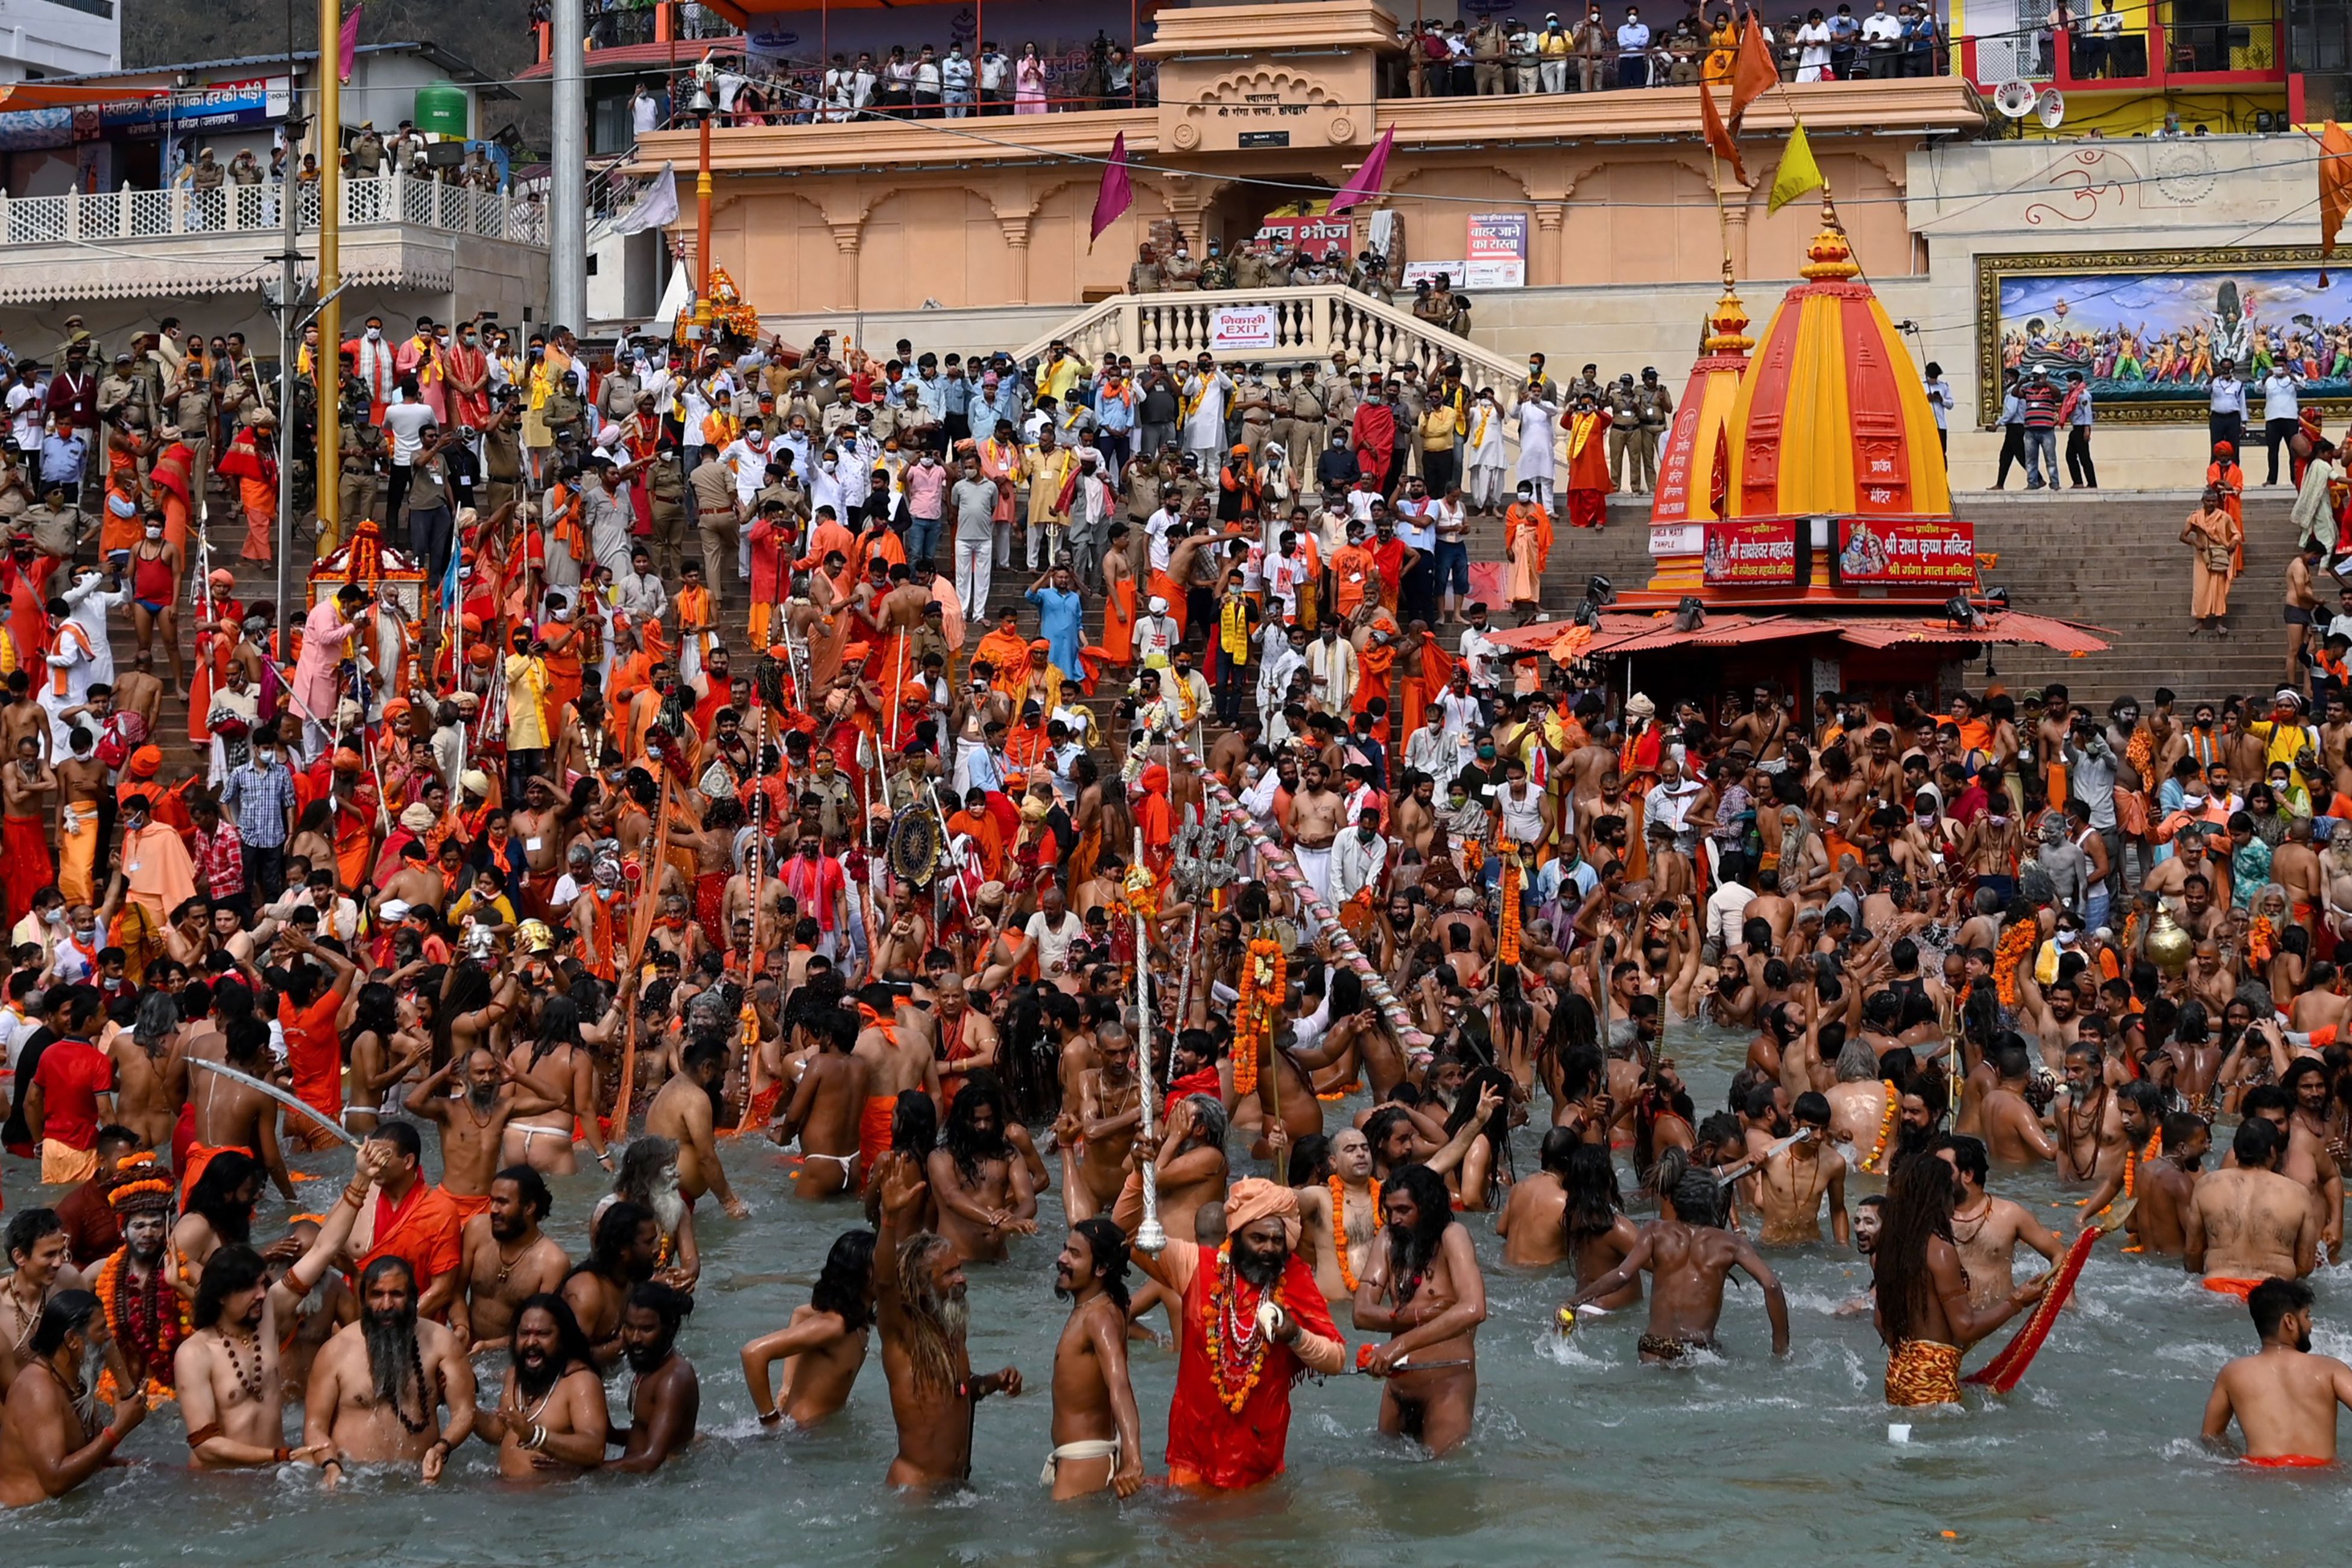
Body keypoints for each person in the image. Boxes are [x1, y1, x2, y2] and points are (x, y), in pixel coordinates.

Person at [1127, 1175, 1345, 1489]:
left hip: (1259, 1459)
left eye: (1277, 1240)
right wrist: (1139, 1174)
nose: (1269, 1248)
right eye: (1259, 1238)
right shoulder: (1197, 1265)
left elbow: (1336, 1358)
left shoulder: (1294, 1279)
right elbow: (1131, 1235)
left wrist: (1295, 1335)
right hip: (1194, 1452)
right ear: (1237, 1235)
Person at [175, 1146, 384, 1467]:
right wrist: (281, 1456)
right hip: (218, 1491)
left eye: (263, 1283)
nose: (262, 1294)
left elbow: (325, 1249)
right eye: (249, 1289)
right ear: (219, 1296)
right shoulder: (194, 1353)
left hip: (275, 1475)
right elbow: (206, 1446)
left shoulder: (269, 1311)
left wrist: (361, 1177)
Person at [870, 1154, 1021, 1487]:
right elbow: (884, 1284)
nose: (962, 1279)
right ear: (923, 1285)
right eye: (950, 1273)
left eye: (960, 1269)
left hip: (958, 1486)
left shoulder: (954, 1327)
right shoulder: (901, 1332)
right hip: (916, 1490)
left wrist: (992, 1382)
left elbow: (957, 1393)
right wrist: (889, 1220)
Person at [1872, 1152, 2047, 1406]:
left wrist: (1916, 1358)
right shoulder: (1939, 1250)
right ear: (1938, 1199)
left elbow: (1880, 1322)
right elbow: (1965, 1328)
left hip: (1897, 1375)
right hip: (1934, 1383)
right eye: (1950, 1195)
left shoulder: (1887, 1249)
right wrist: (2017, 1301)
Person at [1563, 1168, 1790, 1362]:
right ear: (1714, 1203)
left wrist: (1573, 1302)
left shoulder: (1655, 1231)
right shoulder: (1730, 1244)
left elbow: (1621, 1275)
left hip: (1653, 1347)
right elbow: (1772, 1286)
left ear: (1675, 1201)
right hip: (1698, 1352)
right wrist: (1781, 1350)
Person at [302, 1254, 478, 1482]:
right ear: (364, 1299)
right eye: (377, 1295)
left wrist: (441, 1448)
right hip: (355, 1480)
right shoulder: (335, 1351)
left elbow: (465, 1412)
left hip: (420, 1479)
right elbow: (315, 1426)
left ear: (413, 1297)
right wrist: (331, 1465)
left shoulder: (441, 1343)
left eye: (397, 1294)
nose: (386, 1305)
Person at [1352, 1163, 1487, 1455]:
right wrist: (1422, 1315)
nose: (1395, 1219)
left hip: (1447, 1388)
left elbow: (1474, 1309)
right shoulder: (1388, 1240)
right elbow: (1361, 1313)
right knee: (1385, 1488)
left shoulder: (1453, 1236)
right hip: (1397, 1390)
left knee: (1441, 1488)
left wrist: (1397, 1346)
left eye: (1404, 1210)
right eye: (1389, 1211)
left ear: (1426, 1207)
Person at [0, 1290, 145, 1505]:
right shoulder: (36, 1389)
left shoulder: (76, 1376)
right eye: (101, 1328)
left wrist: (125, 1465)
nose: (108, 1335)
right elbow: (55, 1483)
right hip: (30, 1518)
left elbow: (89, 1452)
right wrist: (119, 1428)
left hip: (66, 1510)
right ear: (72, 1340)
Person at [1043, 1216, 1144, 1498]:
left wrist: (1134, 1458)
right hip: (1084, 1459)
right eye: (1065, 1249)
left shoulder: (1098, 1317)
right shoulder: (1105, 1306)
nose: (1061, 1259)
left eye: (1074, 1255)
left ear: (1101, 1268)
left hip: (1084, 1463)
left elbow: (1120, 1385)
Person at [2201, 1277, 2352, 1465]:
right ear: (2289, 1321)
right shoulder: (2330, 1369)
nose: (2310, 1325)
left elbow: (2211, 1435)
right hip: (2319, 1474)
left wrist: (2238, 1461)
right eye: (2307, 1316)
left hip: (2258, 1476)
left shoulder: (2233, 1374)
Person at [475, 1293, 607, 1477]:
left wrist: (535, 1437)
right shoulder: (515, 1375)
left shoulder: (580, 1382)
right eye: (524, 1334)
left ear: (563, 1338)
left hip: (554, 1499)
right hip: (505, 1494)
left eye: (543, 1334)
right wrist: (466, 1408)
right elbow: (501, 1432)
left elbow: (594, 1450)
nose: (531, 1342)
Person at [2186, 1117, 2319, 1296]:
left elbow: (2192, 1253)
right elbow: (2305, 1264)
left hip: (2217, 1290)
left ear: (2236, 1151)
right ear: (2273, 1151)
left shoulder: (2206, 1185)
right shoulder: (2298, 1193)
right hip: (2273, 1295)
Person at [2182, 485, 2240, 639]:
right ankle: (2200, 621)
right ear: (2202, 501)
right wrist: (2195, 543)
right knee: (2200, 590)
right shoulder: (2196, 517)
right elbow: (2183, 536)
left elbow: (2236, 534)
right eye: (2208, 501)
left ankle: (2219, 622)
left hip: (2219, 555)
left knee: (2219, 589)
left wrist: (2233, 544)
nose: (2211, 504)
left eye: (2214, 501)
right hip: (2202, 556)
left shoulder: (2224, 517)